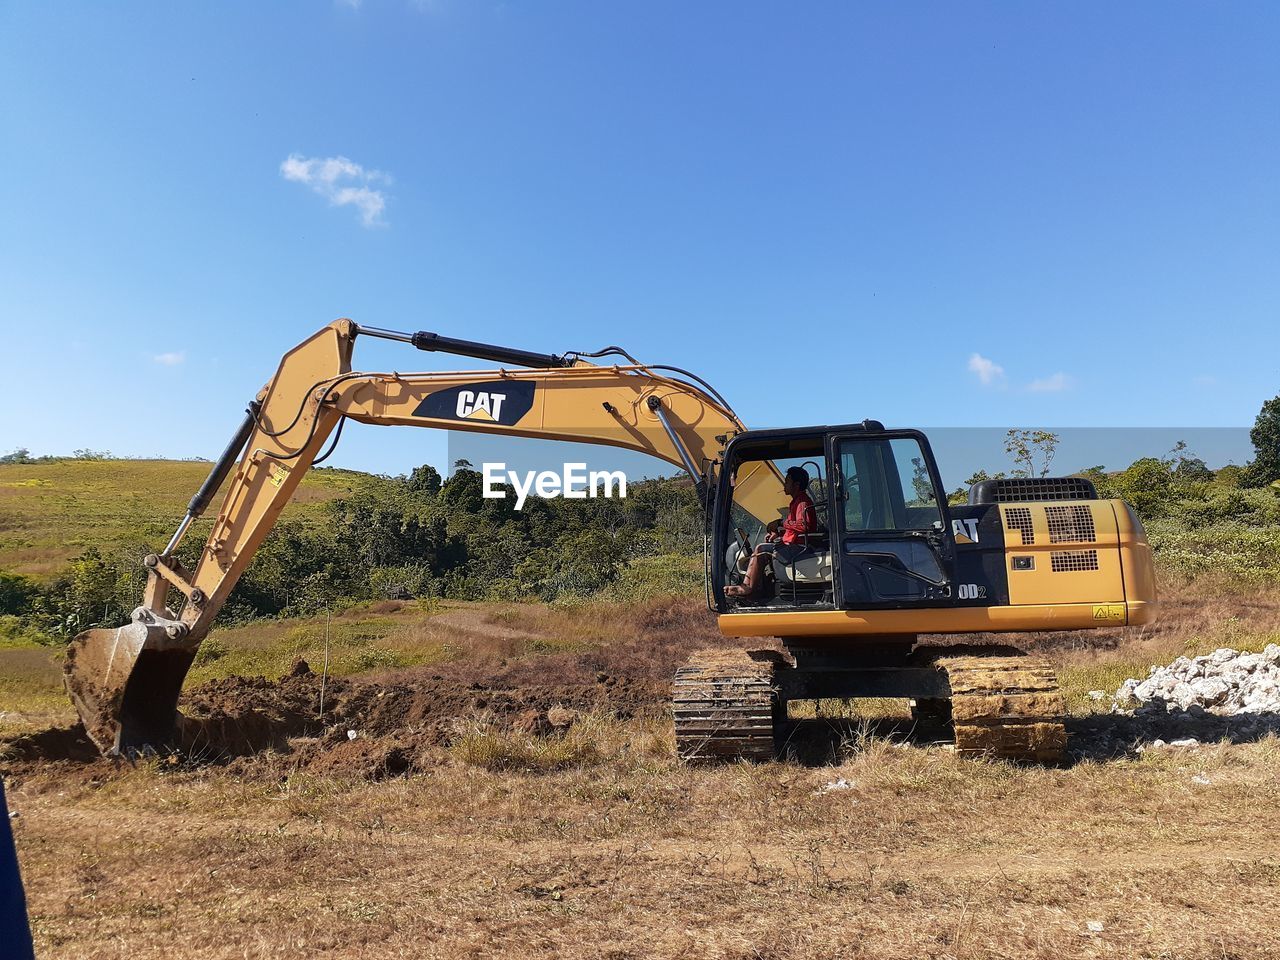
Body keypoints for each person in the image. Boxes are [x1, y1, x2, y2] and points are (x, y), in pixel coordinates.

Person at [726, 465, 818, 599]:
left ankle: (747, 587)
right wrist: (779, 534)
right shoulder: (796, 502)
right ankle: (755, 589)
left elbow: (804, 526)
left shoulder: (802, 502)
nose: (784, 484)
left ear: (796, 485)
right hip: (794, 544)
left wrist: (780, 523)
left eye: (787, 481)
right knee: (762, 552)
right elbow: (794, 528)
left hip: (799, 547)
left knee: (760, 548)